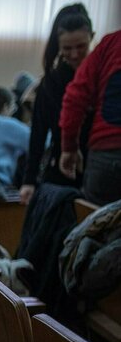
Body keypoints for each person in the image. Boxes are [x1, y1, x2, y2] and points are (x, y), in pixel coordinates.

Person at [58, 23, 121, 206]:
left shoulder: (110, 44)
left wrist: (69, 148)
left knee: (97, 229)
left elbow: (75, 98)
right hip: (104, 151)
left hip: (105, 154)